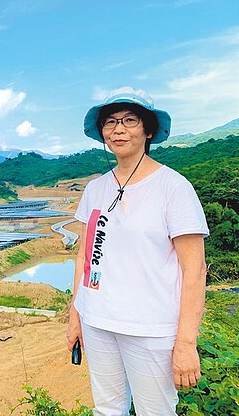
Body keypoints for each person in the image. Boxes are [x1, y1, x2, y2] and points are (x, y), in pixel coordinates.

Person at [66, 87, 209, 415]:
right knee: (106, 409)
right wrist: (76, 315)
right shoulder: (95, 188)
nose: (118, 129)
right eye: (110, 122)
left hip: (151, 329)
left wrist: (186, 342)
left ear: (148, 130)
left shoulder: (174, 187)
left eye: (130, 120)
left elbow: (195, 269)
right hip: (97, 320)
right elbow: (85, 257)